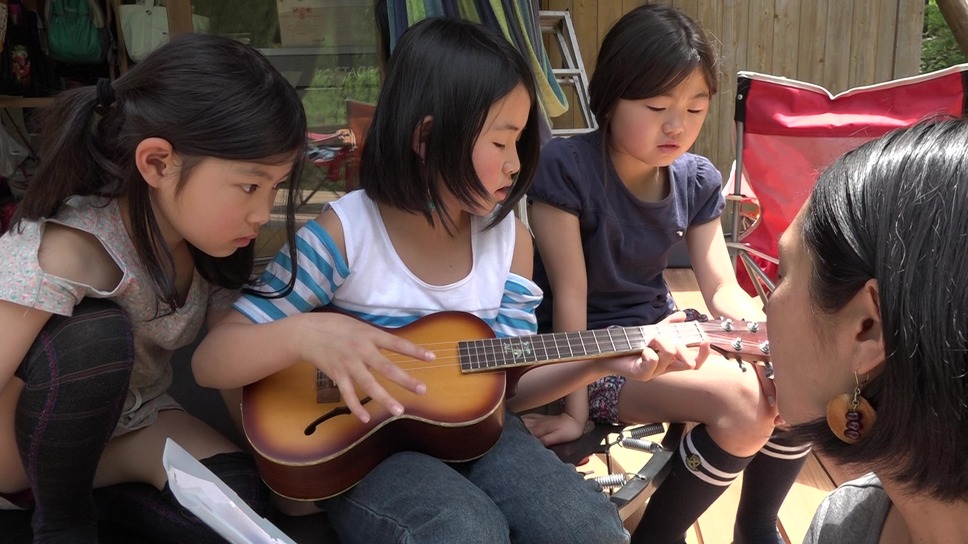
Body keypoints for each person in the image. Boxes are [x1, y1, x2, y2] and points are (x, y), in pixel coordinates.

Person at [193, 17, 706, 544]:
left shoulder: (510, 242)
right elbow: (214, 360)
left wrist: (601, 360)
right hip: (362, 450)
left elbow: (510, 386)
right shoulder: (346, 234)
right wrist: (306, 335)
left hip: (480, 435)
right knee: (462, 529)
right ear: (428, 137)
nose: (515, 165)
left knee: (588, 528)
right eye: (501, 143)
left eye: (519, 142)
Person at [0, 34, 307, 542]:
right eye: (250, 186)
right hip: (22, 449)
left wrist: (283, 471)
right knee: (97, 335)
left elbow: (231, 355)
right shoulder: (68, 249)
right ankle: (64, 522)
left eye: (275, 188)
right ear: (158, 164)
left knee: (234, 505)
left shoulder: (211, 244)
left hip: (129, 423)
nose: (262, 212)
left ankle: (97, 496)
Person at [522, 5, 811, 543]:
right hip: (591, 356)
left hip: (667, 333)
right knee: (744, 407)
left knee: (802, 385)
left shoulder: (694, 179)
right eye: (656, 106)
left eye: (696, 108)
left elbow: (722, 287)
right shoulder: (567, 170)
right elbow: (571, 297)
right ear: (609, 99)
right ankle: (659, 534)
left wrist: (775, 345)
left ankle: (754, 526)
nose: (676, 126)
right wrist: (574, 413)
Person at [767, 117, 968, 542]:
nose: (767, 304)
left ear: (867, 330)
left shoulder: (846, 528)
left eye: (782, 274)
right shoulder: (845, 520)